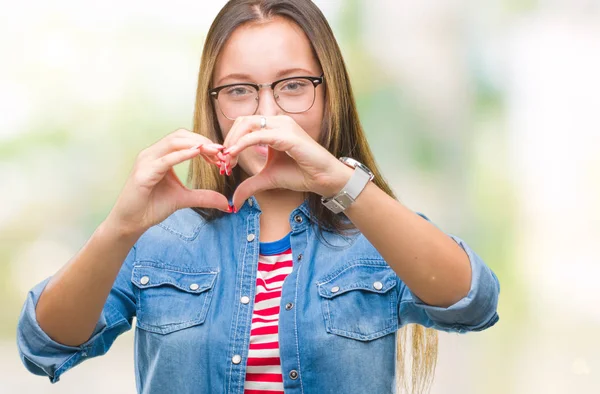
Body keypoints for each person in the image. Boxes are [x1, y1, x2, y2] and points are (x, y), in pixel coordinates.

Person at [16, 1, 500, 393]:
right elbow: (43, 347)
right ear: (214, 105)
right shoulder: (160, 240)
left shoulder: (378, 231)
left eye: (293, 86)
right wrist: (119, 229)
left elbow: (473, 303)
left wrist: (337, 181)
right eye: (240, 91)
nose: (267, 113)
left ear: (331, 95)